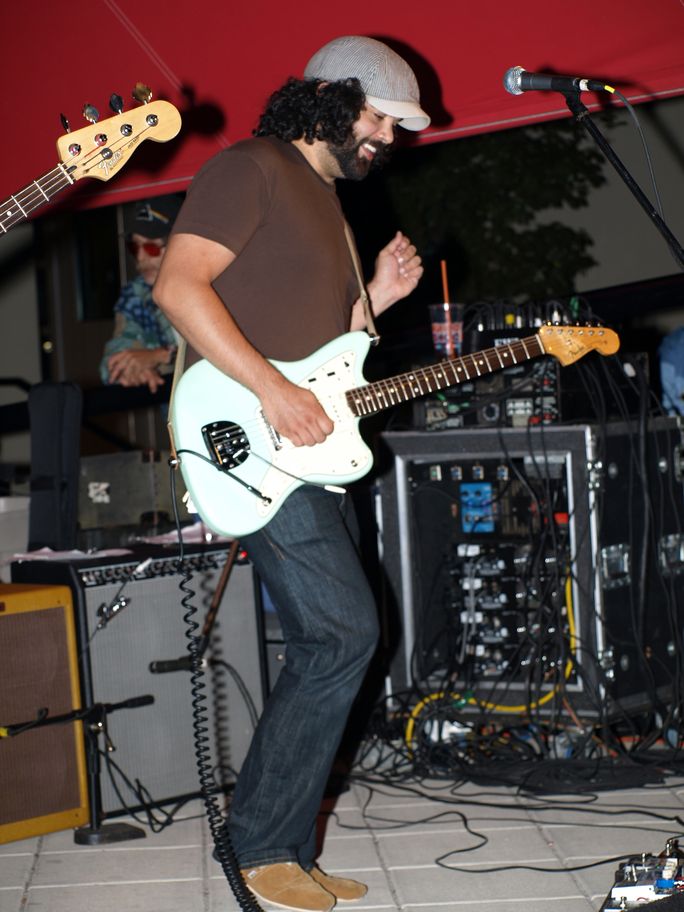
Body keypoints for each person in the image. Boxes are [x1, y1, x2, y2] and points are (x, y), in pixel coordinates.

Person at [153, 35, 430, 912]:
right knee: (342, 632)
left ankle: (282, 844)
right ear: (334, 98)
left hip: (312, 446)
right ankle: (263, 845)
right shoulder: (252, 168)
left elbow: (332, 349)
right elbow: (178, 288)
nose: (389, 138)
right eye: (382, 118)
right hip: (253, 434)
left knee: (337, 636)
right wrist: (271, 391)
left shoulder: (328, 203)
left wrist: (376, 297)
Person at [100, 195, 182, 393]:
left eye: (151, 248)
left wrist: (161, 356)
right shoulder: (137, 293)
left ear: (181, 245)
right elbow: (110, 366)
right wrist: (133, 369)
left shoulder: (217, 283)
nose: (140, 257)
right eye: (134, 247)